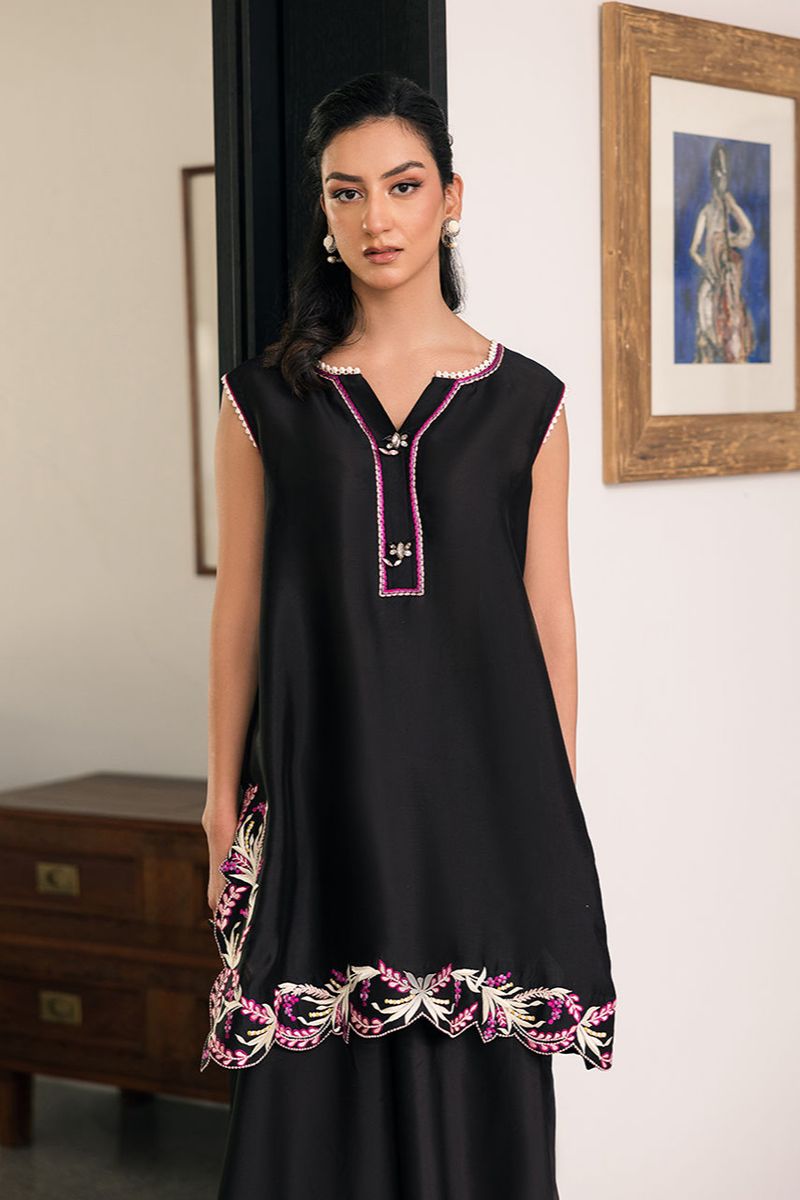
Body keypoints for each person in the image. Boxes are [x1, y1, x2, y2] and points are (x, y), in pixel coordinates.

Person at [201, 71, 616, 1200]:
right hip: (321, 794)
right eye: (347, 192)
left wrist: (551, 804)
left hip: (484, 804)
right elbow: (239, 608)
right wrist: (218, 797)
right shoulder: (264, 403)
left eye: (402, 185)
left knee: (479, 1092)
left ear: (450, 198)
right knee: (305, 1106)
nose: (376, 217)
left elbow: (549, 615)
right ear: (324, 212)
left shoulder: (527, 402)